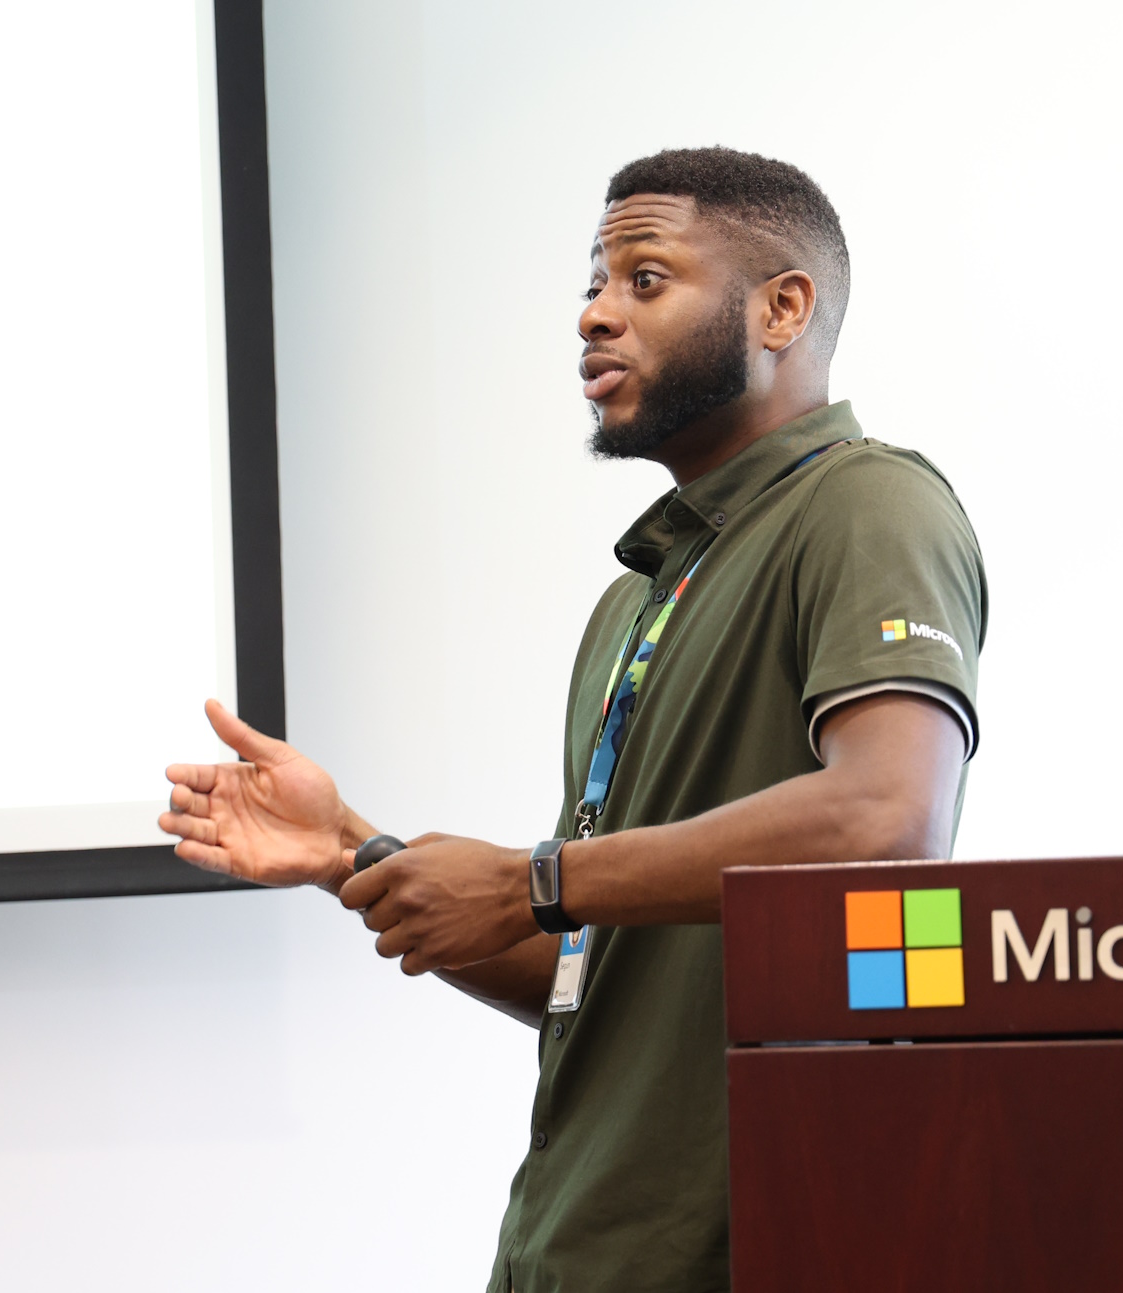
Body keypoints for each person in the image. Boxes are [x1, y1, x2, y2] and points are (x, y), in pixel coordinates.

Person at [155, 147, 985, 1293]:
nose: (594, 315)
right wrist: (353, 849)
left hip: (745, 1250)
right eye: (593, 284)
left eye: (643, 279)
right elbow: (588, 971)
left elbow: (887, 821)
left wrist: (530, 878)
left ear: (781, 306)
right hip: (572, 1249)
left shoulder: (866, 503)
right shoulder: (637, 597)